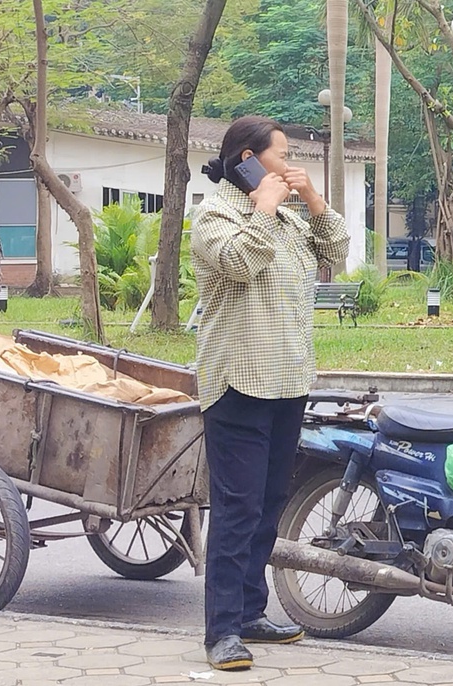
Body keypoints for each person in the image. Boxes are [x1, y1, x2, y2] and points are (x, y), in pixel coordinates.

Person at [191, 115, 349, 671]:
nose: (290, 164)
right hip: (237, 383)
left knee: (268, 507)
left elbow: (338, 246)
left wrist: (311, 197)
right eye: (282, 155)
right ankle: (222, 632)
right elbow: (240, 263)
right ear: (249, 161)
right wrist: (260, 205)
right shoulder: (215, 216)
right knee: (236, 509)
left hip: (286, 381)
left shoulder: (285, 220)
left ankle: (252, 613)